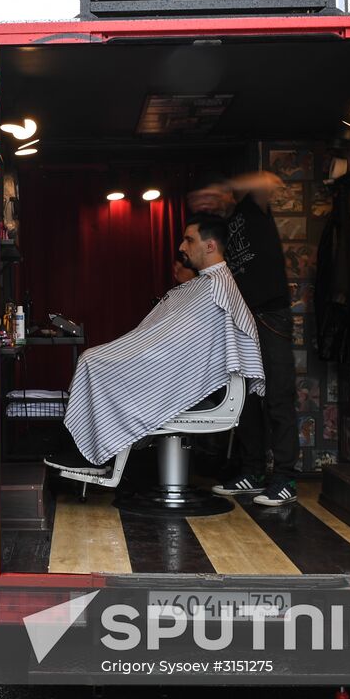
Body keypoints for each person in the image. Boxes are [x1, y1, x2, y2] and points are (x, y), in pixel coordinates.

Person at [55, 215, 265, 471]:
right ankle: (89, 450)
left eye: (189, 240)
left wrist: (130, 357)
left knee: (94, 362)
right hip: (181, 373)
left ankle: (90, 455)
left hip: (189, 384)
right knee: (94, 360)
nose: (181, 247)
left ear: (210, 246)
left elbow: (175, 346)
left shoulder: (215, 289)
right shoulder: (208, 284)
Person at [190, 172, 300, 506]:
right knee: (245, 398)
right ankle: (253, 472)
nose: (212, 205)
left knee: (277, 396)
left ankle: (285, 478)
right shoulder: (221, 228)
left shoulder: (252, 208)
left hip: (271, 316)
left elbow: (269, 180)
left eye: (216, 199)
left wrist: (224, 187)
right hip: (242, 318)